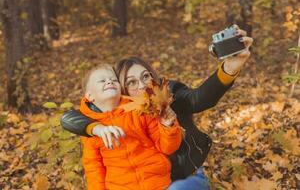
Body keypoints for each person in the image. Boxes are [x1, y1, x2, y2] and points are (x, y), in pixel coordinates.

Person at [61, 26, 253, 181]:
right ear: (122, 92)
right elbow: (72, 117)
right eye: (132, 82)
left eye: (146, 76)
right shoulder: (118, 113)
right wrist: (96, 129)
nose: (143, 85)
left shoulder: (169, 93)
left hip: (185, 173)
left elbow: (199, 99)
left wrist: (229, 68)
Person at [80, 64, 182, 190]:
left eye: (114, 80)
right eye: (102, 80)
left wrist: (168, 126)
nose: (109, 81)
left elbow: (167, 147)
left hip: (156, 182)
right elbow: (93, 168)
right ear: (89, 96)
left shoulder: (138, 110)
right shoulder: (91, 128)